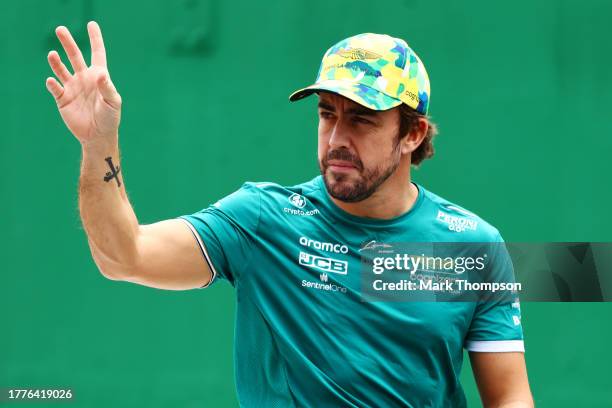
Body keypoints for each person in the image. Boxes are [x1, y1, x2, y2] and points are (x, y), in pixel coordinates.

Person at [46, 21, 533, 407]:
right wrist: (98, 141)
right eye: (327, 114)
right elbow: (124, 256)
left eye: (362, 118)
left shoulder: (474, 247)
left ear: (413, 134)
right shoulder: (263, 220)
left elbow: (509, 396)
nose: (338, 136)